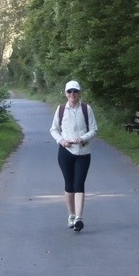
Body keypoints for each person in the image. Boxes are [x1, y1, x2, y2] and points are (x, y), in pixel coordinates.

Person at [50, 79, 98, 231]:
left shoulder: (86, 109)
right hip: (65, 152)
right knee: (69, 184)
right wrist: (61, 141)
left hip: (83, 152)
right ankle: (71, 215)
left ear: (79, 93)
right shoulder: (61, 109)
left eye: (75, 91)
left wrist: (83, 138)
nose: (72, 94)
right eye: (69, 91)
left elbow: (94, 129)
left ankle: (79, 218)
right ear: (65, 93)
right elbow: (53, 129)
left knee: (79, 184)